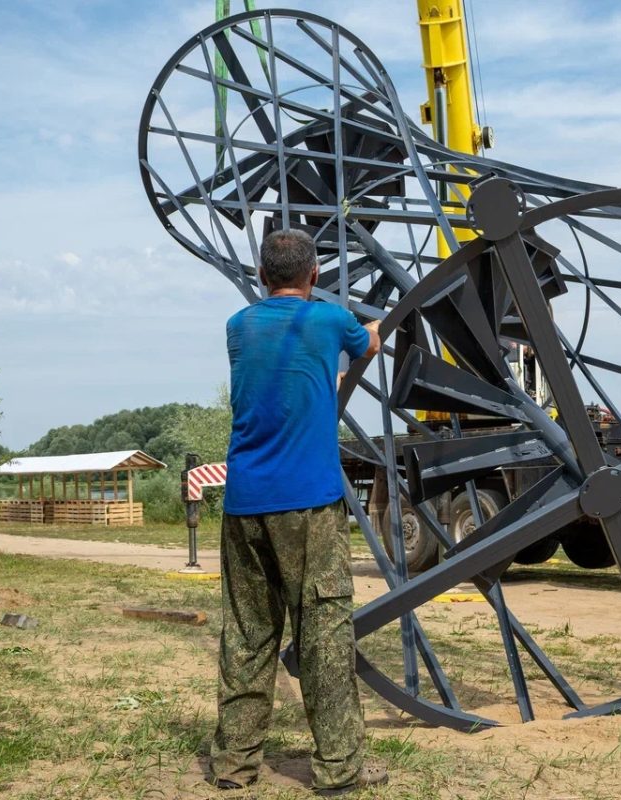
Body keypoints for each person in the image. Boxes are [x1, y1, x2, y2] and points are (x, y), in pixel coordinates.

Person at [209, 229, 386, 795]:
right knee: (324, 633)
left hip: (244, 503)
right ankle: (339, 768)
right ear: (315, 275)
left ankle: (234, 765)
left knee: (247, 634)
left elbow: (284, 379)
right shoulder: (331, 319)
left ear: (262, 276)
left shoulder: (238, 327)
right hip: (309, 505)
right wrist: (376, 327)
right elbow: (367, 345)